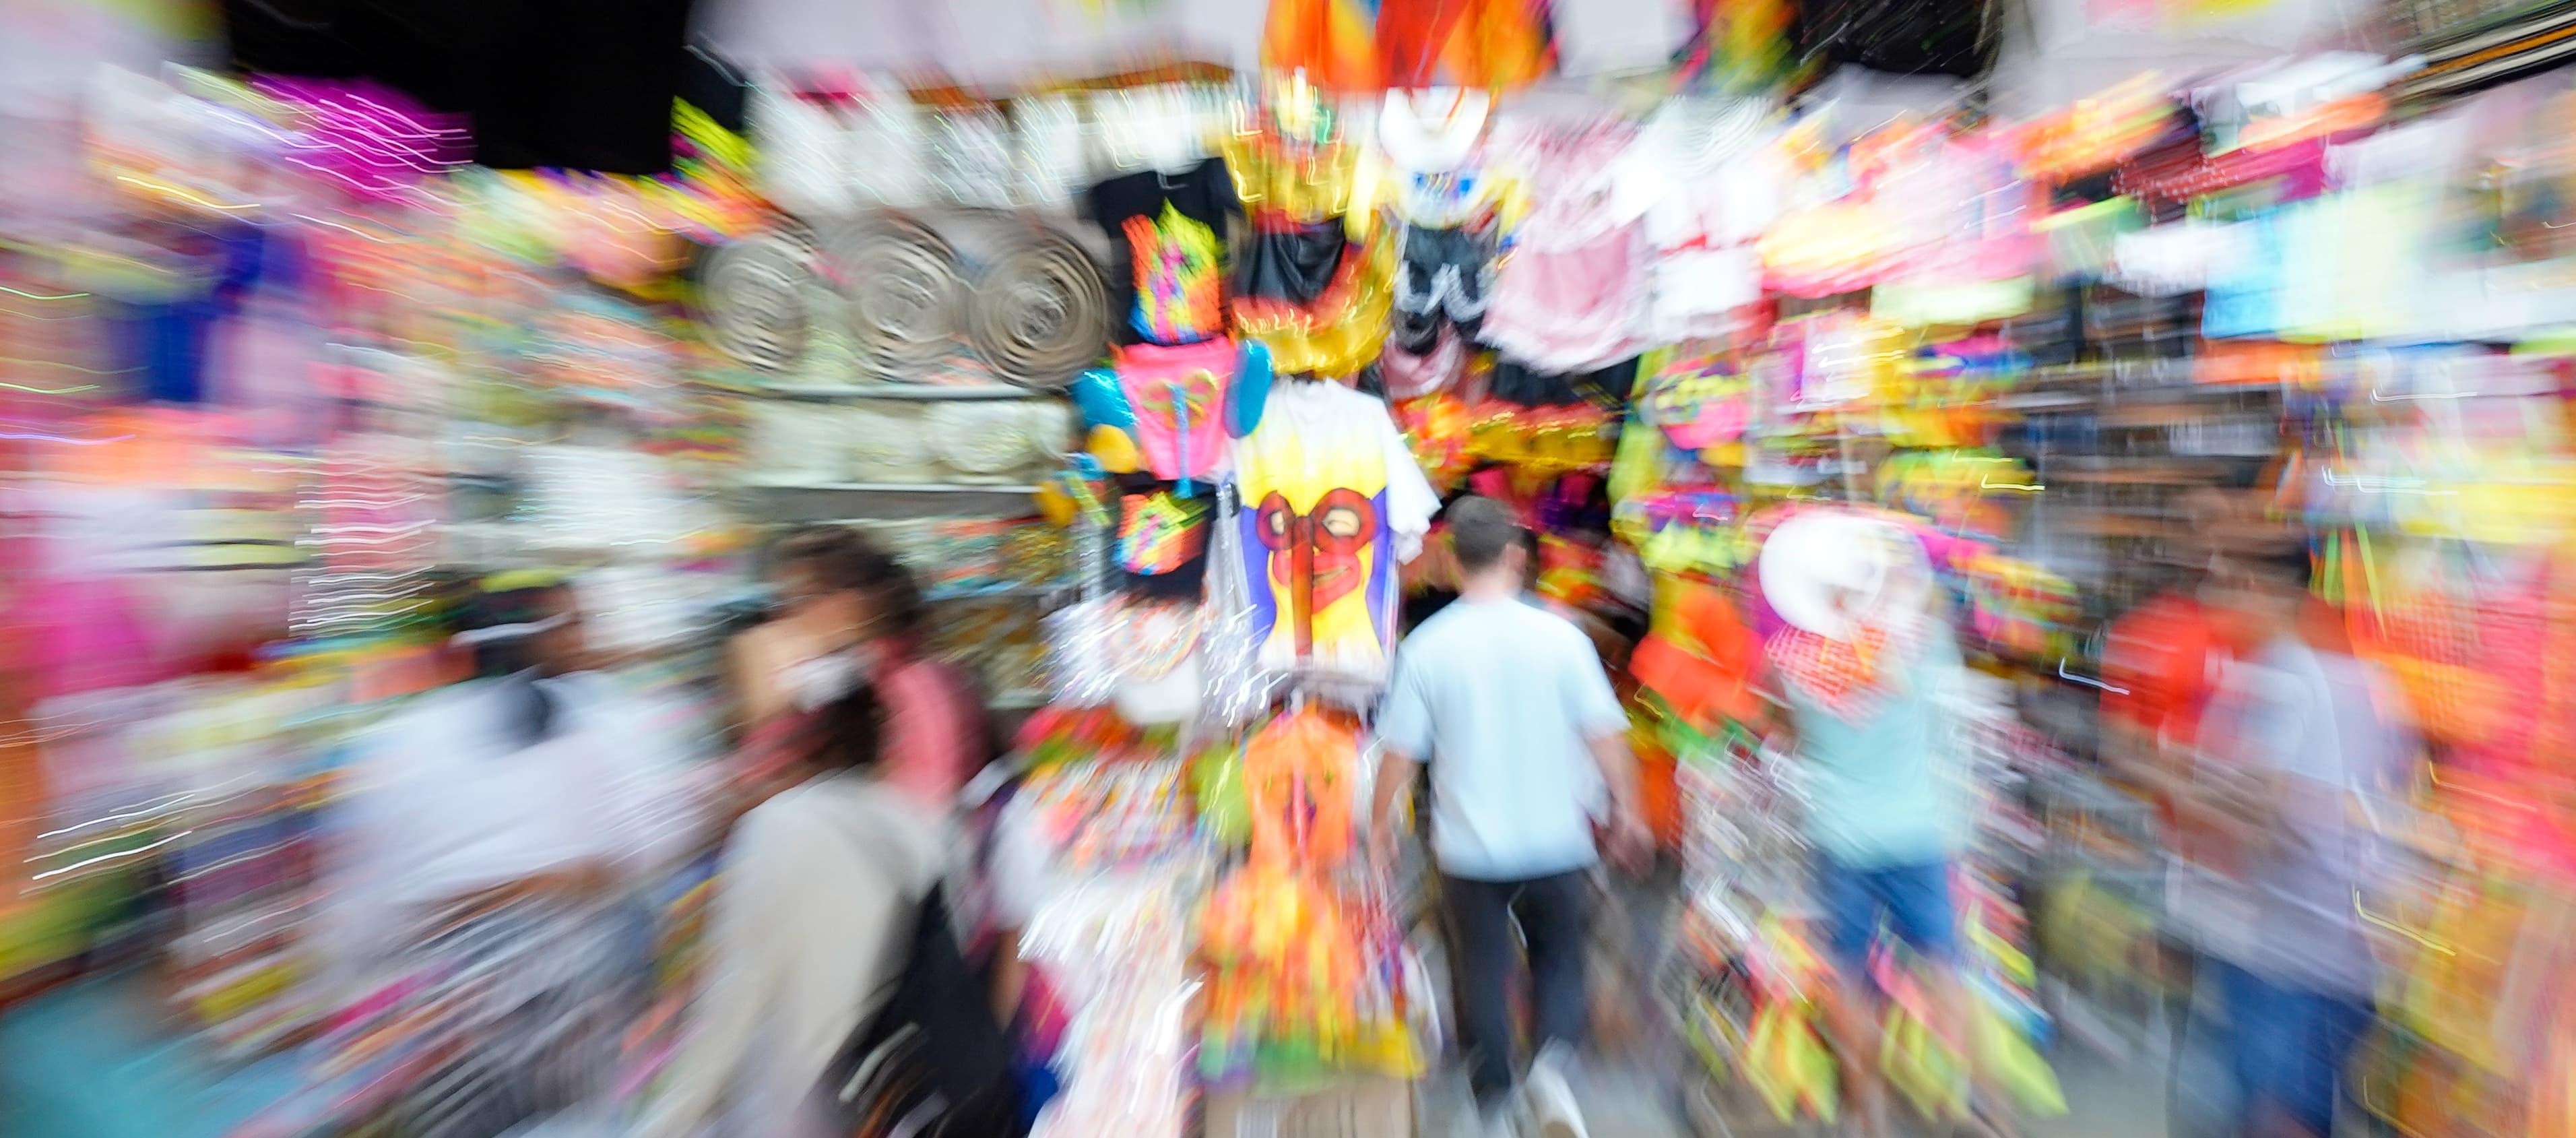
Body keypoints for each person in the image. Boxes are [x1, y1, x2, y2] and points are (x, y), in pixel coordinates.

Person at [314, 573, 699, 1137]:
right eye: (570, 623)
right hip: (577, 986)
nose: (583, 638)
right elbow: (658, 838)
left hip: (457, 1001)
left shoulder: (402, 739)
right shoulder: (604, 717)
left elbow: (362, 906)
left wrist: (334, 992)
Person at [1370, 496, 1648, 1138]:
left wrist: (1380, 823)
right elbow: (1607, 735)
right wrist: (1629, 812)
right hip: (1558, 840)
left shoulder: (1429, 647)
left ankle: (1493, 1107)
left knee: (1481, 971)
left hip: (1469, 850)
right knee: (1559, 958)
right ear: (1516, 558)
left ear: (1451, 563)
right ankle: (1551, 1069)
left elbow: (1400, 754)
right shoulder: (1563, 637)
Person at [635, 675, 953, 1138]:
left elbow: (733, 998)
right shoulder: (925, 829)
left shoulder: (777, 828)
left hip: (802, 1108)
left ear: (809, 745)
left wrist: (664, 1124)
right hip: (902, 1102)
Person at [1757, 511, 1983, 1138]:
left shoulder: (1792, 664)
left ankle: (1869, 1117)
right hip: (1921, 831)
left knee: (1850, 981)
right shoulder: (1919, 640)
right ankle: (1961, 1102)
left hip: (1842, 841)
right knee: (1943, 967)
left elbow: (1782, 734)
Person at [2176, 546, 2412, 1138]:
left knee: (2277, 1111)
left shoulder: (2280, 675)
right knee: (2299, 1105)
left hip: (2288, 948)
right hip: (2333, 948)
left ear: (2262, 590)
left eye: (2224, 585)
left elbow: (2275, 807)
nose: (2212, 603)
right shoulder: (2368, 678)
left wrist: (2184, 785)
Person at [729, 525, 983, 809]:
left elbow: (924, 805)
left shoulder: (913, 684)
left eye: (803, 598)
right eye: (784, 599)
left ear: (851, 601)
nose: (786, 615)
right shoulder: (841, 673)